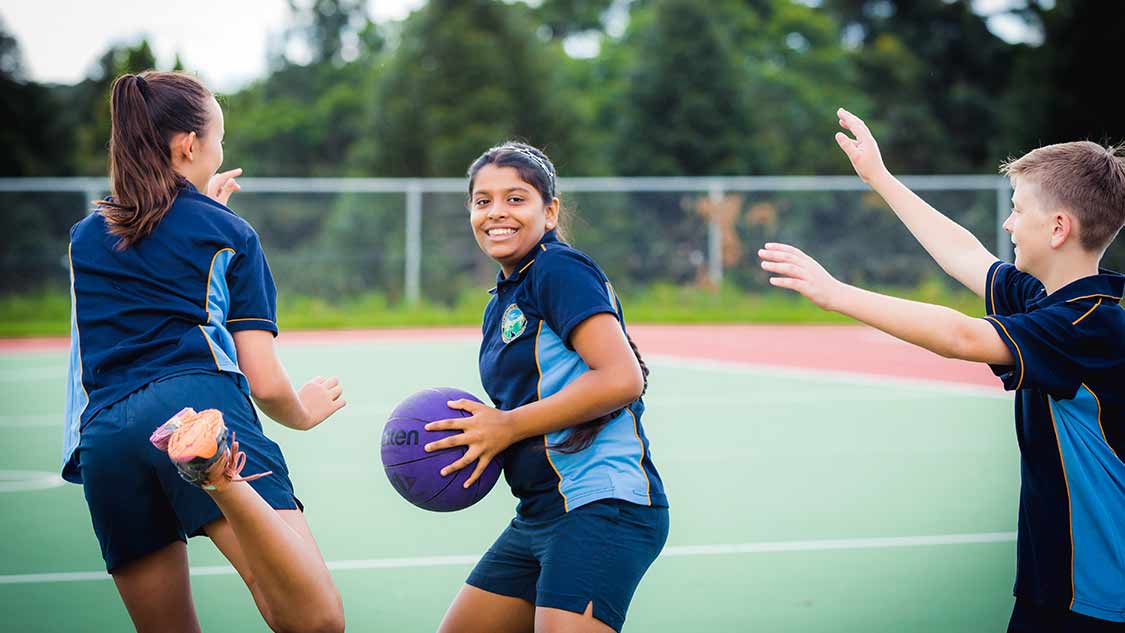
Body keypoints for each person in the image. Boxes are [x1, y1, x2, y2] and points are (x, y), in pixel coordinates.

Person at [759, 108, 1125, 632]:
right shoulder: (1051, 302)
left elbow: (961, 336)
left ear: (1059, 228)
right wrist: (880, 179)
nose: (1008, 222)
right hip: (1055, 581)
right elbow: (964, 256)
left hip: (1094, 594)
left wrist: (837, 294)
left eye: (1019, 210)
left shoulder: (1088, 327)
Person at [65, 71, 346, 633]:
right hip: (196, 410)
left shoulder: (85, 235)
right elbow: (264, 382)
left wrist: (202, 209)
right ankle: (216, 470)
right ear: (190, 145)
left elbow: (150, 253)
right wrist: (305, 411)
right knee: (316, 620)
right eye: (219, 138)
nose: (221, 150)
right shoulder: (230, 233)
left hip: (105, 438)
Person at [424, 142, 669, 633]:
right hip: (541, 512)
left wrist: (506, 426)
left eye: (516, 199)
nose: (496, 212)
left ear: (550, 211)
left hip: (601, 504)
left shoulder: (558, 269)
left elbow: (623, 378)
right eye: (483, 200)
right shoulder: (505, 295)